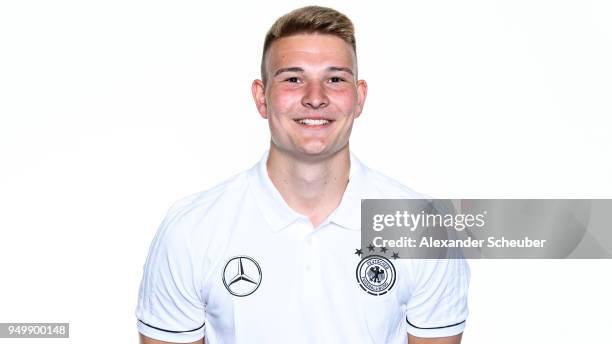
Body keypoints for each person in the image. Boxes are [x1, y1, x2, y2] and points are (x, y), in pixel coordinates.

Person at [136, 6, 469, 344]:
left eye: (335, 79)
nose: (315, 98)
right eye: (293, 79)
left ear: (359, 97)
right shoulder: (192, 230)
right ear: (261, 97)